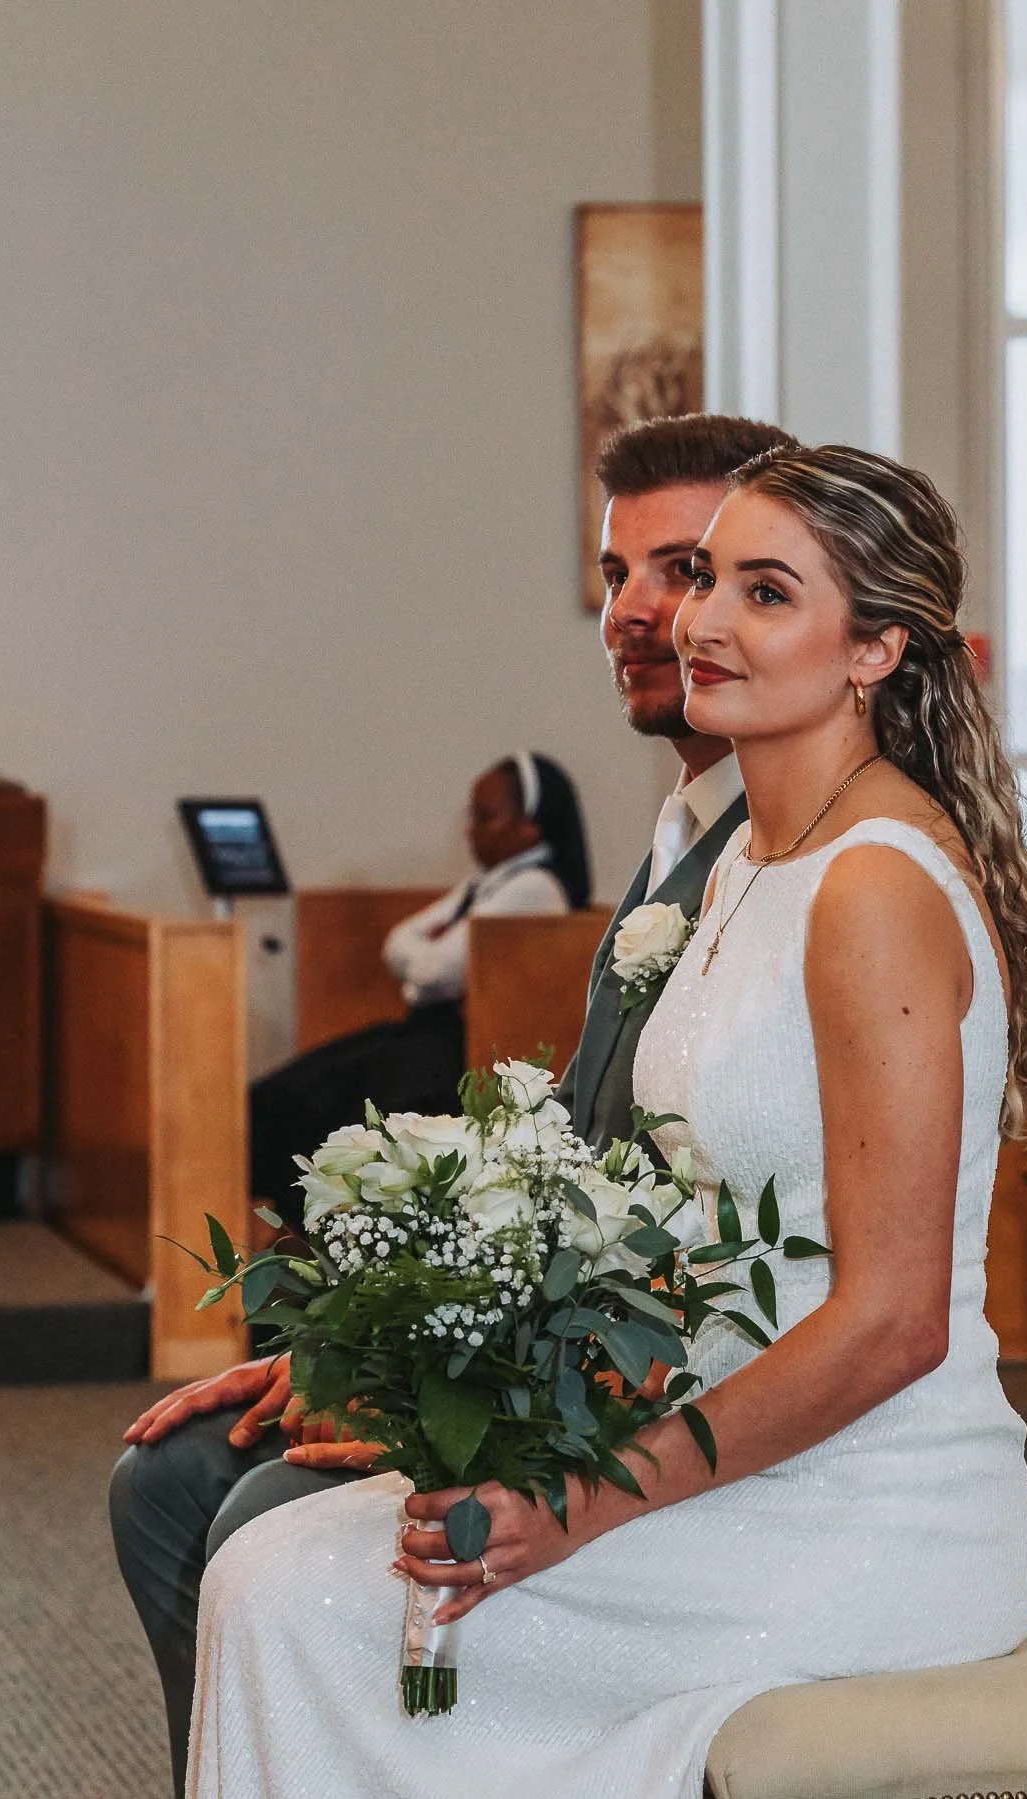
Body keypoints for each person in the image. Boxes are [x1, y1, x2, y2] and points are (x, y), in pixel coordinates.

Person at [184, 442, 1027, 1798]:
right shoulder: (745, 862)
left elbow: (896, 1320)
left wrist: (576, 1505)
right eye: (707, 576)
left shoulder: (873, 886)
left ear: (874, 649)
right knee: (274, 1566)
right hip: (710, 1447)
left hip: (868, 1501)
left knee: (298, 1599)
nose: (702, 619)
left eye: (766, 592)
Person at [107, 412, 790, 1795]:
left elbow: (710, 1224)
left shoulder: (789, 858)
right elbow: (586, 1163)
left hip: (678, 1402)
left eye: (686, 568)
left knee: (229, 1510)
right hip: (584, 1347)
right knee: (170, 1472)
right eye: (616, 573)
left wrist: (467, 1402)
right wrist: (370, 1352)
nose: (636, 610)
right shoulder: (680, 834)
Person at [243, 752, 589, 1223]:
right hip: (423, 1033)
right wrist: (426, 957)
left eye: (486, 817)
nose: (470, 830)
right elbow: (397, 945)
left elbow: (433, 974)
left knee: (332, 1113)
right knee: (289, 1092)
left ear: (531, 826)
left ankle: (323, 1229)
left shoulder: (535, 887)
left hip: (459, 1048)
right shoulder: (487, 883)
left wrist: (428, 955)